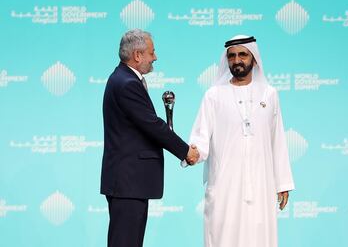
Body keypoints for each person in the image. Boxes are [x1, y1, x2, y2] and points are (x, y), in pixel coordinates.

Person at [189, 35, 295, 247]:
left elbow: (277, 140)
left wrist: (282, 182)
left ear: (254, 59)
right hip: (224, 186)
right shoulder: (213, 95)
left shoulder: (269, 94)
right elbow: (200, 138)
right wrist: (192, 153)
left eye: (242, 55)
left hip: (261, 185)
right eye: (232, 56)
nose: (237, 61)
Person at [100, 29, 199, 247]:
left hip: (128, 183)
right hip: (128, 182)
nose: (155, 57)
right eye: (152, 52)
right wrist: (185, 151)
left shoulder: (122, 78)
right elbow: (152, 125)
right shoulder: (127, 83)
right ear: (137, 55)